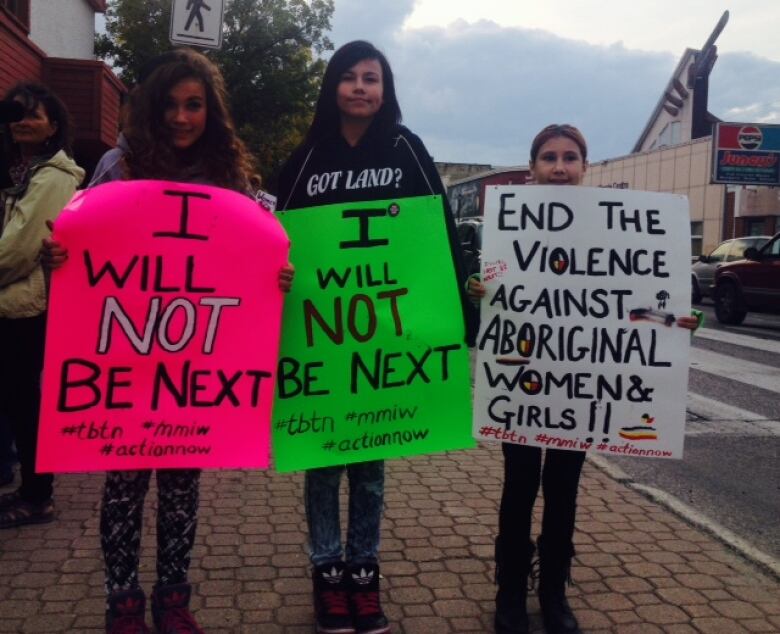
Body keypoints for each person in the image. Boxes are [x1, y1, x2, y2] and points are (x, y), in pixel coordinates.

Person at [43, 48, 294, 634]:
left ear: (212, 112)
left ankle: (173, 599)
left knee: (182, 488)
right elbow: (75, 240)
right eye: (171, 106)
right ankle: (122, 600)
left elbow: (259, 256)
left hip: (195, 371)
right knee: (124, 487)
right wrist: (58, 256)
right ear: (151, 110)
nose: (182, 118)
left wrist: (277, 277)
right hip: (127, 365)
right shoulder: (118, 166)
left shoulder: (232, 180)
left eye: (195, 105)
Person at [467, 124, 700, 634]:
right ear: (531, 168)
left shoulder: (613, 229)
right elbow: (489, 295)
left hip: (577, 388)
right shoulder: (509, 227)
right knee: (518, 488)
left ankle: (553, 592)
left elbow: (632, 302)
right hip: (523, 387)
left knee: (565, 490)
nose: (559, 166)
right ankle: (509, 592)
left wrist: (674, 320)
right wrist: (478, 291)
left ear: (584, 167)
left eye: (570, 157)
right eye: (548, 157)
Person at [276, 40, 474, 634]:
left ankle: (364, 573)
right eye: (350, 77)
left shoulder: (407, 148)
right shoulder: (305, 158)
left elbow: (437, 233)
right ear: (332, 85)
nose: (361, 87)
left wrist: (454, 312)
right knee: (322, 462)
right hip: (322, 339)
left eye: (373, 78)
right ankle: (326, 576)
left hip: (385, 341)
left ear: (385, 90)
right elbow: (277, 240)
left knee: (370, 464)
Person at [0, 82, 84, 529]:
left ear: (53, 124)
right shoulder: (21, 171)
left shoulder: (53, 176)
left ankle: (38, 494)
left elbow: (19, 249)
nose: (22, 121)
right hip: (11, 303)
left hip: (24, 308)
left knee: (24, 403)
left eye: (33, 114)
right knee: (16, 403)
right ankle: (30, 488)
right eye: (16, 114)